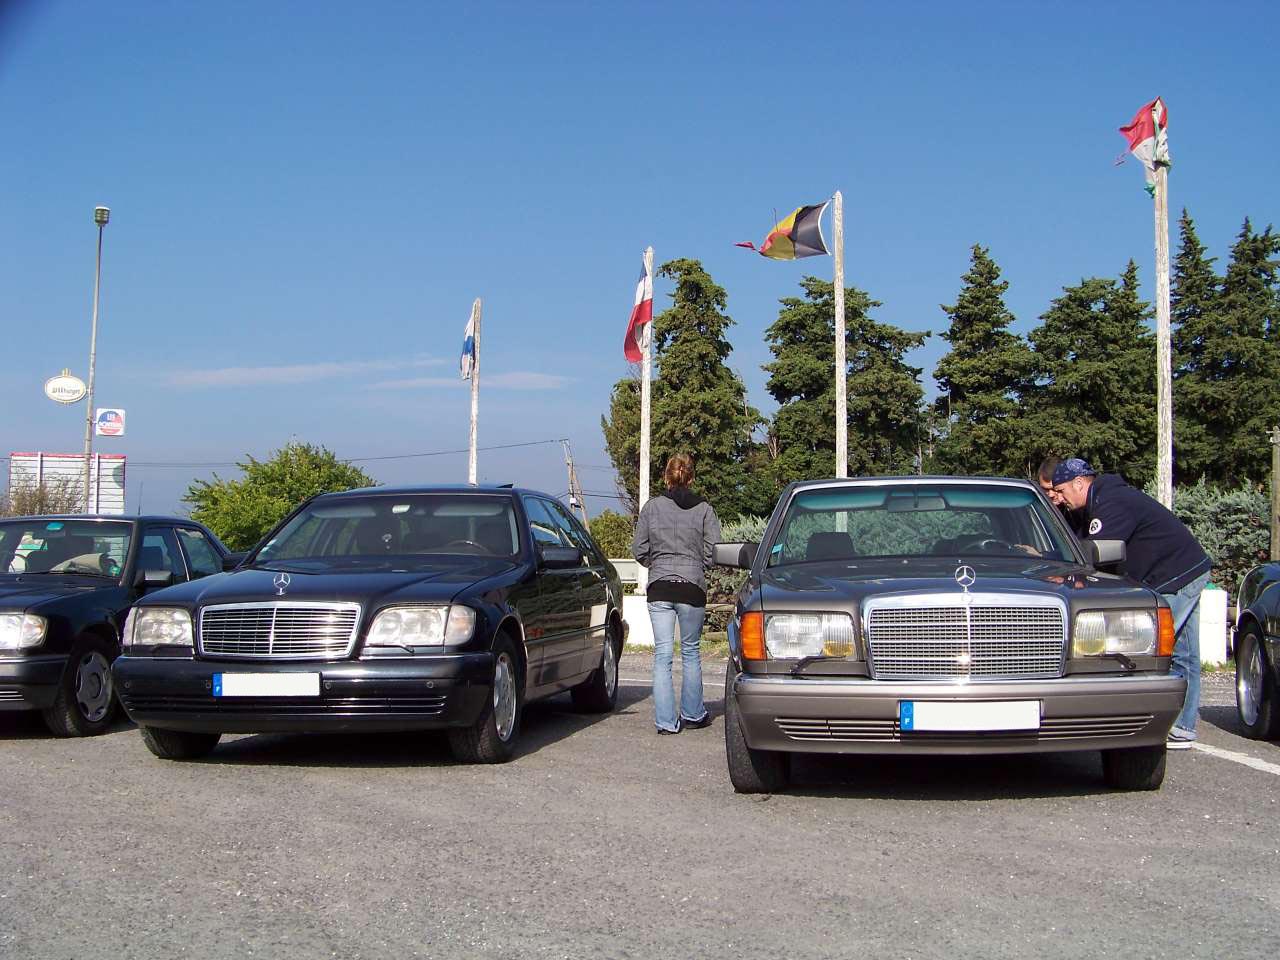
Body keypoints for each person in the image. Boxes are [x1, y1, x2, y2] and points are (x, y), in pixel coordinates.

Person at [1051, 457, 1212, 749]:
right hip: (1183, 570)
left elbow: (1094, 555)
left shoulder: (1112, 503)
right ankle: (1184, 727)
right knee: (1184, 653)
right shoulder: (1100, 502)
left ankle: (1153, 726)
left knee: (1155, 649)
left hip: (1175, 575)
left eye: (1061, 491)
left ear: (1079, 483)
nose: (1059, 499)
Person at [631, 454, 721, 735]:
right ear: (691, 478)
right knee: (691, 652)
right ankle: (693, 714)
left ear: (665, 478)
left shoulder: (651, 508)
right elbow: (714, 550)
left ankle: (666, 722)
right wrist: (697, 567)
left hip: (659, 586)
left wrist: (656, 564)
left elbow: (639, 549)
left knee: (663, 655)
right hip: (692, 586)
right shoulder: (705, 509)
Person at [1036, 456, 1087, 536]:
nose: (1051, 494)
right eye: (1045, 489)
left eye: (1055, 489)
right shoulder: (1035, 511)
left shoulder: (1081, 509)